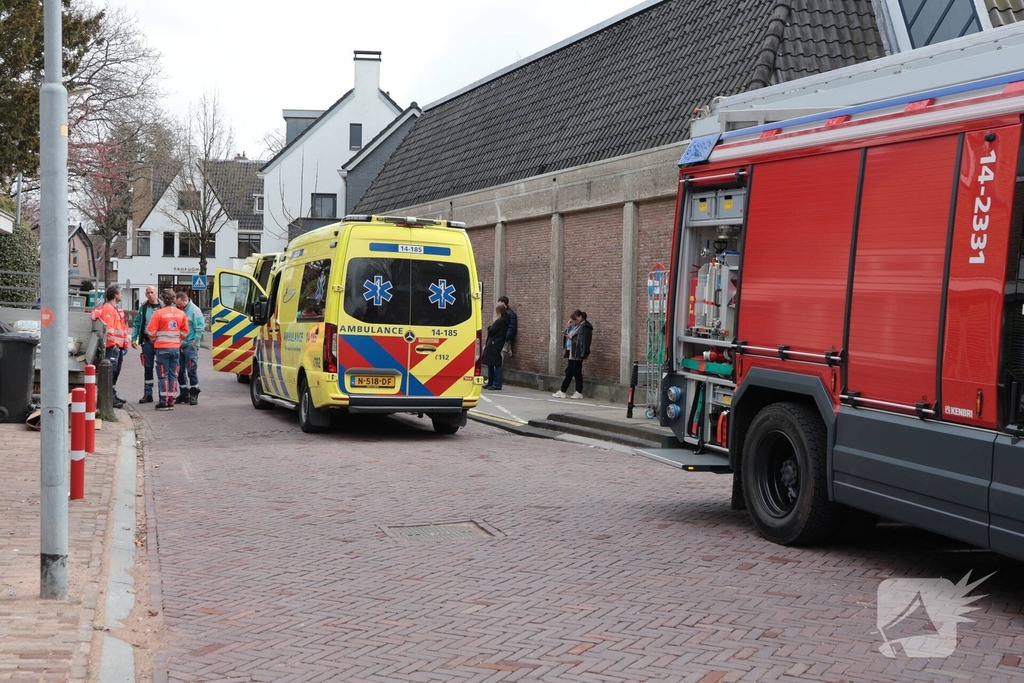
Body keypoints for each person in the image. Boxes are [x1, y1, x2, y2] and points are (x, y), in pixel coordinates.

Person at [147, 288, 189, 411]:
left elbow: (151, 331)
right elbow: (185, 332)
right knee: (173, 375)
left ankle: (164, 402)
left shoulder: (158, 313)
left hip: (162, 348)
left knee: (163, 375)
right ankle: (171, 401)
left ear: (163, 299)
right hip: (175, 348)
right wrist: (177, 340)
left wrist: (155, 341)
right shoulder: (181, 314)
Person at [90, 284, 129, 408]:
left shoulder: (115, 309)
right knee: (110, 372)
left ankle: (112, 393)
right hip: (113, 347)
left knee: (116, 371)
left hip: (117, 346)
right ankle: (109, 398)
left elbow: (121, 328)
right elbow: (109, 328)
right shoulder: (108, 308)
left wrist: (124, 344)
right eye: (120, 293)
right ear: (115, 295)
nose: (122, 295)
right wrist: (113, 344)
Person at [552, 309, 593, 399]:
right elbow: (573, 335)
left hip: (577, 352)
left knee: (575, 372)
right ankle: (565, 390)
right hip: (572, 351)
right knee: (570, 371)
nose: (575, 321)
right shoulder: (576, 326)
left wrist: (571, 337)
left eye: (576, 319)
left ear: (580, 317)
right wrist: (569, 326)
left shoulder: (585, 327)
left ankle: (575, 391)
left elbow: (583, 341)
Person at [131, 286, 162, 403]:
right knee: (148, 368)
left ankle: (162, 394)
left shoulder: (163, 306)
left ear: (156, 293)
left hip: (160, 341)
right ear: (145, 294)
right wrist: (134, 339)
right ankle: (148, 394)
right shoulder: (143, 307)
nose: (150, 294)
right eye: (148, 293)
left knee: (161, 368)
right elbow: (137, 323)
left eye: (152, 292)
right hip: (147, 341)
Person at [174, 291, 205, 405]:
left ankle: (194, 392)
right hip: (179, 345)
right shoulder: (178, 310)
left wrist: (194, 343)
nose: (178, 307)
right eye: (176, 304)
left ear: (185, 300)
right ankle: (184, 393)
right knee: (179, 370)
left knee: (191, 369)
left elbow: (200, 327)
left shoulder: (195, 311)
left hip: (190, 345)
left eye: (180, 304)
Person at [481, 303, 509, 390]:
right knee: (492, 363)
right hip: (497, 343)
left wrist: (489, 327)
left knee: (495, 363)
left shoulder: (500, 321)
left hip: (494, 344)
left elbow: (492, 330)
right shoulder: (505, 320)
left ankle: (496, 383)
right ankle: (491, 382)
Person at [498, 296, 517, 361]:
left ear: (503, 303)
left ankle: (508, 350)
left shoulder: (510, 314)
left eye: (499, 303)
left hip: (504, 337)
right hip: (501, 337)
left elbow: (511, 328)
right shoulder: (503, 313)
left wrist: (505, 337)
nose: (498, 305)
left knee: (501, 354)